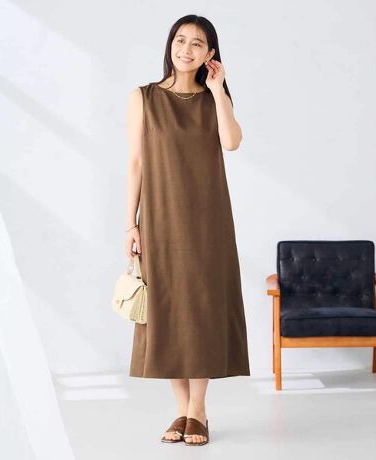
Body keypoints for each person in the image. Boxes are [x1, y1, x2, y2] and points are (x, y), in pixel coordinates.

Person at [124, 14, 250, 446]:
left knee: (201, 309)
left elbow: (231, 142)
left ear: (210, 54)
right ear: (170, 45)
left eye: (197, 43)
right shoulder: (143, 97)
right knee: (168, 310)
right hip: (159, 219)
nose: (187, 49)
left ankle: (198, 409)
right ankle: (180, 409)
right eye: (181, 40)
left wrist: (218, 90)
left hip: (208, 220)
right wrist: (130, 224)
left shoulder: (214, 98)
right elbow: (136, 163)